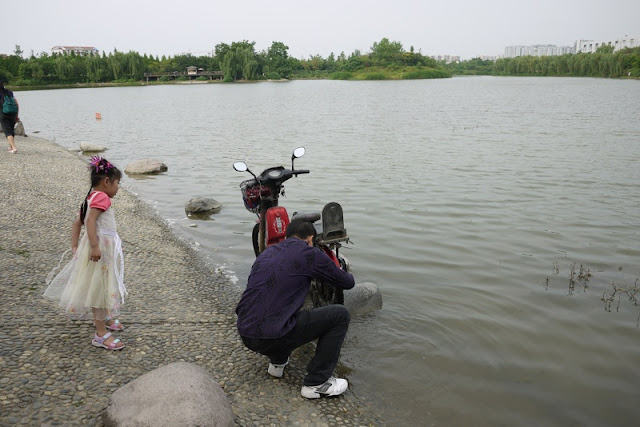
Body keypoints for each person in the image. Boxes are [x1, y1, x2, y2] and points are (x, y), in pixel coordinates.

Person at [236, 218, 355, 399]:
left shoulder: (267, 253)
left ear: (287, 236)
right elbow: (347, 283)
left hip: (245, 332)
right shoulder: (309, 253)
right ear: (310, 239)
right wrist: (334, 264)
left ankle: (277, 364)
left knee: (280, 310)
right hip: (271, 335)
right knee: (340, 315)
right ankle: (317, 383)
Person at [44, 156, 126, 350]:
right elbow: (89, 222)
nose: (118, 188)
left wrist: (75, 246)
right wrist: (95, 246)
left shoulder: (91, 196)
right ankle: (100, 334)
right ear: (107, 182)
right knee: (98, 288)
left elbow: (77, 223)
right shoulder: (102, 197)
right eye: (117, 183)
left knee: (102, 283)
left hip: (97, 249)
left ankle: (105, 317)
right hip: (99, 251)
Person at [0, 79, 19, 154]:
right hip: (13, 113)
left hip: (3, 114)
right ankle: (11, 146)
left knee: (7, 131)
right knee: (11, 130)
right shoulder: (10, 92)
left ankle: (14, 148)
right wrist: (17, 115)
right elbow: (17, 104)